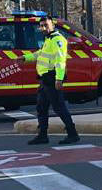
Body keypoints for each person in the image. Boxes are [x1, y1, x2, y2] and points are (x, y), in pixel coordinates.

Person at [25, 16, 79, 146]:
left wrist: (59, 79)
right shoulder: (48, 39)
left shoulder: (57, 40)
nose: (43, 28)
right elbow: (40, 54)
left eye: (46, 25)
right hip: (45, 79)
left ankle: (72, 134)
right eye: (42, 26)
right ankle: (42, 135)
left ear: (53, 25)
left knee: (59, 107)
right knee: (41, 107)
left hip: (52, 77)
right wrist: (25, 58)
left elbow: (61, 61)